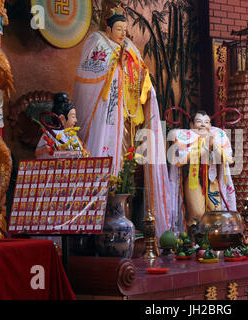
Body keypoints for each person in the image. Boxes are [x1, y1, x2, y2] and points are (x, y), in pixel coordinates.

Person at [72, 2, 171, 238]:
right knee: (108, 161)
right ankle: (98, 221)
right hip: (104, 118)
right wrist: (116, 64)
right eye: (119, 29)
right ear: (108, 29)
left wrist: (135, 69)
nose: (123, 34)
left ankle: (123, 214)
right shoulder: (97, 43)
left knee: (128, 164)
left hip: (126, 116)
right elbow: (92, 73)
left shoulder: (128, 47)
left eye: (125, 30)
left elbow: (141, 73)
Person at [168, 110, 236, 234]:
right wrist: (202, 147)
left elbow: (229, 160)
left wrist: (213, 146)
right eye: (199, 122)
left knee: (216, 212)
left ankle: (213, 241)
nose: (203, 125)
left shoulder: (217, 138)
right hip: (193, 179)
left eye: (207, 122)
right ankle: (195, 242)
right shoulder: (185, 138)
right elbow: (179, 161)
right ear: (191, 125)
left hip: (211, 179)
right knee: (197, 213)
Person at [35, 93, 89, 159]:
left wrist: (83, 153)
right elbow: (45, 154)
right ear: (62, 119)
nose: (76, 120)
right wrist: (71, 154)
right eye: (73, 117)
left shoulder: (72, 135)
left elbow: (82, 154)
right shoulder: (49, 134)